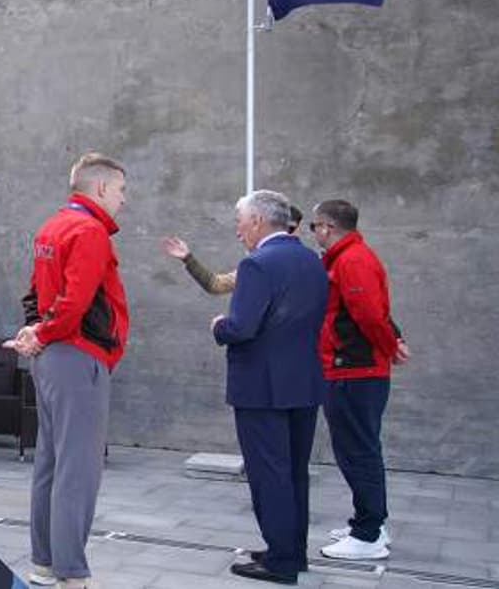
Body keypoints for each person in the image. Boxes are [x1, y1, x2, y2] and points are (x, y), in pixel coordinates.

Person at [5, 152, 130, 589]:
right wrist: (41, 332)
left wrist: (35, 331)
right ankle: (71, 575)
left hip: (53, 358)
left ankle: (44, 565)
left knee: (51, 464)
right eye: (121, 190)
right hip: (78, 357)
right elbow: (75, 302)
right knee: (78, 469)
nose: (123, 199)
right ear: (101, 188)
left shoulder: (52, 227)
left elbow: (36, 293)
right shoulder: (89, 231)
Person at [214, 190, 329, 585]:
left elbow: (241, 327)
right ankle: (292, 551)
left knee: (269, 474)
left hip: (262, 387)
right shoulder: (312, 261)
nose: (238, 231)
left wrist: (219, 326)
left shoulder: (257, 265)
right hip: (304, 382)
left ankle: (280, 560)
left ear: (258, 221)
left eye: (240, 222)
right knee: (295, 472)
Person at [310, 199, 409, 561]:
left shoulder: (351, 261)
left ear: (328, 227)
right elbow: (377, 312)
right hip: (353, 369)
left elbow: (369, 315)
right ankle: (370, 524)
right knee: (358, 449)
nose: (314, 233)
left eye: (315, 226)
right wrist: (394, 341)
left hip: (354, 370)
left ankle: (368, 535)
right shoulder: (348, 258)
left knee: (358, 451)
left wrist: (390, 347)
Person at [162, 205, 305, 296]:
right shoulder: (258, 265)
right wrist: (188, 258)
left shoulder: (309, 263)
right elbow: (216, 285)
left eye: (290, 229)